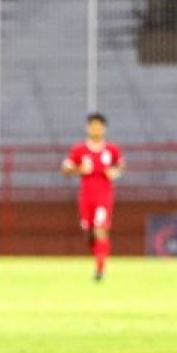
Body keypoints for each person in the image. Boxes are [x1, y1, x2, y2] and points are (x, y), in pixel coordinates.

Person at [60, 113, 124, 281]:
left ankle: (100, 269)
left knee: (100, 229)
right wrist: (78, 170)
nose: (96, 129)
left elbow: (121, 166)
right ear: (88, 128)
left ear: (104, 129)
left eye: (99, 126)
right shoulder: (79, 150)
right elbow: (65, 169)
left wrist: (115, 172)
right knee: (89, 232)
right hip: (86, 196)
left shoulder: (111, 150)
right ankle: (98, 256)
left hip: (104, 196)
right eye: (93, 126)